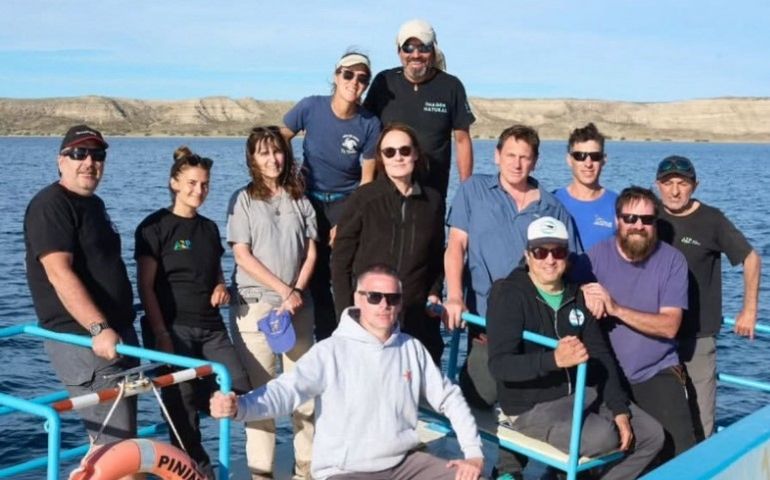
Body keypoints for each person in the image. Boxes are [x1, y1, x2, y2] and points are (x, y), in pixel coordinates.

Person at [210, 264, 485, 480]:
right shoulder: (329, 352)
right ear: (358, 298)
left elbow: (449, 398)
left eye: (392, 298)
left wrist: (473, 454)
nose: (383, 305)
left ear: (401, 302)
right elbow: (285, 392)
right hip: (346, 471)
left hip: (405, 463)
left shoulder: (411, 348)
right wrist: (239, 406)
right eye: (375, 297)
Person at [444, 124, 579, 477]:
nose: (517, 164)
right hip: (487, 327)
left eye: (525, 157)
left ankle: (510, 469)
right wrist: (454, 295)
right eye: (511, 156)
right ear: (497, 156)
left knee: (529, 402)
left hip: (535, 332)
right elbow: (456, 246)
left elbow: (569, 265)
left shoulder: (552, 207)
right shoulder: (474, 191)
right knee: (481, 395)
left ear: (535, 161)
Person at [487, 216, 663, 479]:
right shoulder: (510, 295)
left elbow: (602, 355)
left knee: (652, 435)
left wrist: (619, 408)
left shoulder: (577, 295)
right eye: (540, 252)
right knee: (604, 438)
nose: (549, 260)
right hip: (531, 406)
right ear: (527, 255)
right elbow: (500, 365)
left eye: (557, 251)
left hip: (582, 395)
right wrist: (553, 360)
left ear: (567, 256)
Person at [23, 125, 140, 475]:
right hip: (86, 340)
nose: (89, 162)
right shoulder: (51, 205)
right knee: (116, 449)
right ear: (61, 160)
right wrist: (98, 327)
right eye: (79, 154)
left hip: (117, 336)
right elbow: (59, 272)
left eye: (97, 155)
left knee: (119, 443)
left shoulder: (93, 204)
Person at [134, 146, 251, 477]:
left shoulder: (210, 228)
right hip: (172, 330)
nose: (198, 190)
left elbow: (214, 270)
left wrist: (220, 286)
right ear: (174, 183)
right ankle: (200, 473)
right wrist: (161, 336)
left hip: (211, 328)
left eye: (204, 184)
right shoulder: (153, 227)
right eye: (191, 183)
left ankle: (194, 397)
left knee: (239, 390)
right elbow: (145, 287)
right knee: (182, 421)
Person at [226, 127, 317, 479]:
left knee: (305, 395)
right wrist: (282, 290)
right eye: (263, 153)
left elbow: (311, 250)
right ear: (252, 158)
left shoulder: (299, 198)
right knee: (260, 399)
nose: (272, 159)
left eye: (277, 151)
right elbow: (242, 254)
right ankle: (261, 473)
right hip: (257, 311)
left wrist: (296, 292)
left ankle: (305, 469)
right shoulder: (243, 199)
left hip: (297, 310)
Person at [581, 186, 697, 463]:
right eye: (630, 218)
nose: (638, 226)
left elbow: (670, 326)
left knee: (684, 453)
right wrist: (584, 291)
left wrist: (616, 309)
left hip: (656, 371)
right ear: (617, 220)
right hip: (606, 374)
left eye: (646, 220)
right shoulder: (594, 257)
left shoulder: (672, 261)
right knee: (604, 450)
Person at [655, 155, 761, 439]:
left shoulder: (712, 220)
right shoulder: (649, 216)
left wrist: (748, 310)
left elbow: (751, 258)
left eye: (683, 183)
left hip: (698, 337)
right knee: (656, 419)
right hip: (654, 335)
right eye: (668, 183)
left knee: (701, 420)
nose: (675, 191)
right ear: (657, 186)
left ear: (695, 185)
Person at [282, 50, 382, 342]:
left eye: (363, 78)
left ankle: (346, 337)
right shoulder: (311, 107)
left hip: (345, 202)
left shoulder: (369, 124)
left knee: (342, 270)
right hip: (308, 198)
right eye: (348, 74)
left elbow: (366, 180)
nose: (354, 82)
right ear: (337, 76)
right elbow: (279, 136)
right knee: (309, 273)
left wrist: (347, 222)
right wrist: (288, 176)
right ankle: (316, 342)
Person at [332, 123, 446, 365]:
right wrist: (345, 314)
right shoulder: (364, 198)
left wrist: (435, 291)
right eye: (389, 152)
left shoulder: (433, 201)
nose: (398, 157)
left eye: (404, 150)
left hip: (415, 315)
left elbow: (437, 256)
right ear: (381, 158)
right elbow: (341, 260)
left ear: (415, 153)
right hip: (369, 314)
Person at [364, 19, 475, 198]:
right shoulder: (384, 82)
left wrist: (466, 193)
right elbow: (366, 132)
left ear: (433, 50)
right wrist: (365, 187)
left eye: (423, 47)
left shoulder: (450, 86)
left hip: (432, 192)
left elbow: (462, 141)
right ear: (399, 51)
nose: (415, 54)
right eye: (408, 48)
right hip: (384, 192)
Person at [554, 123, 618, 250]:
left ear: (604, 160)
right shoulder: (552, 201)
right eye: (580, 156)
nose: (588, 164)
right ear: (569, 159)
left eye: (595, 157)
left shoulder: (618, 204)